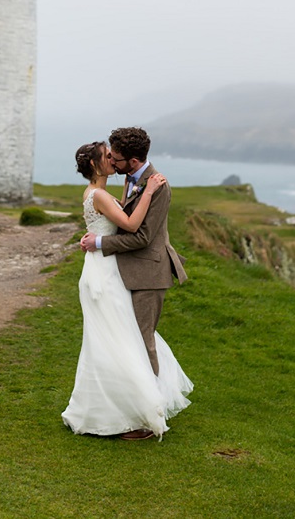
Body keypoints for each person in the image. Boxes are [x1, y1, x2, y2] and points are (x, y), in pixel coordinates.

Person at [62, 138, 192, 440]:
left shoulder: (98, 192)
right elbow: (133, 226)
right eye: (108, 156)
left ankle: (119, 408)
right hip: (105, 274)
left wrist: (95, 238)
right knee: (119, 338)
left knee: (115, 338)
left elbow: (113, 225)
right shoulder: (101, 194)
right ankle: (130, 411)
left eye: (114, 155)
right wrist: (147, 190)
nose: (113, 160)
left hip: (105, 270)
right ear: (96, 164)